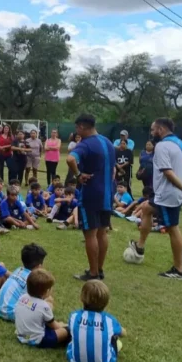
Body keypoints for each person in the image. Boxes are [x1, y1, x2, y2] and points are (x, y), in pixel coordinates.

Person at [128, 118, 182, 280]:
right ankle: (140, 247)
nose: (152, 133)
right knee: (146, 209)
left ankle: (179, 270)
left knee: (172, 228)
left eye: (153, 130)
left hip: (169, 194)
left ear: (160, 129)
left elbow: (167, 172)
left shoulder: (161, 146)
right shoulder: (181, 144)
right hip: (169, 193)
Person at [65, 114, 116, 282]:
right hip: (108, 194)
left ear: (81, 127)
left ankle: (93, 273)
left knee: (90, 234)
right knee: (102, 232)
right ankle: (99, 270)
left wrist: (79, 174)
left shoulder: (85, 144)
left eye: (77, 128)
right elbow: (113, 169)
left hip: (91, 194)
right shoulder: (108, 142)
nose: (76, 132)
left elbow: (70, 158)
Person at [67, 280, 125, 362]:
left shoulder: (74, 316)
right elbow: (123, 333)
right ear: (107, 302)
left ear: (81, 298)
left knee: (75, 334)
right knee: (114, 337)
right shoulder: (109, 320)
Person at [14, 269, 69, 349]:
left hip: (21, 335)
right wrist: (64, 325)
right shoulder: (43, 306)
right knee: (66, 330)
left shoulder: (23, 297)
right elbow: (55, 326)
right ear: (46, 291)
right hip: (36, 340)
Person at [0, 244, 47, 321]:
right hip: (10, 313)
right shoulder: (33, 279)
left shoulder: (19, 270)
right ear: (39, 266)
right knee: (46, 303)